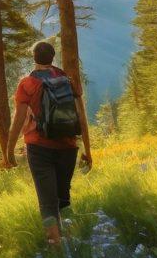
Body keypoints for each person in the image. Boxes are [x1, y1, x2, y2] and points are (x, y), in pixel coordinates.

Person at [5, 40, 93, 246]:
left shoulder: (27, 84)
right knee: (61, 200)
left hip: (39, 147)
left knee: (47, 203)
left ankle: (57, 251)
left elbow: (18, 119)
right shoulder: (67, 81)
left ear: (34, 57)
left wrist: (9, 150)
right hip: (68, 146)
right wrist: (88, 150)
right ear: (53, 57)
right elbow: (81, 117)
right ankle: (68, 246)